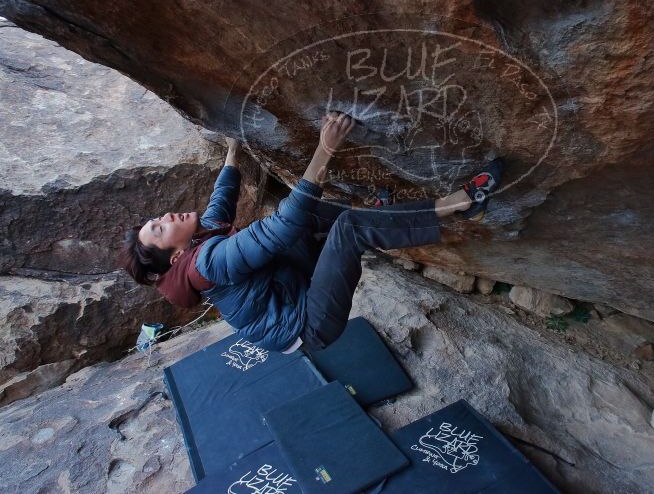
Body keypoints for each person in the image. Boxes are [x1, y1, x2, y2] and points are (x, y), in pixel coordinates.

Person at [120, 111, 505, 353]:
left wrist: (232, 148)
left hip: (290, 285)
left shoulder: (200, 239)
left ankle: (378, 214)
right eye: (159, 227)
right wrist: (325, 148)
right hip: (307, 325)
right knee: (345, 228)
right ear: (174, 256)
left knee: (308, 218)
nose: (166, 216)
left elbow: (222, 199)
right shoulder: (207, 263)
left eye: (158, 218)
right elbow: (282, 224)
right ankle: (462, 206)